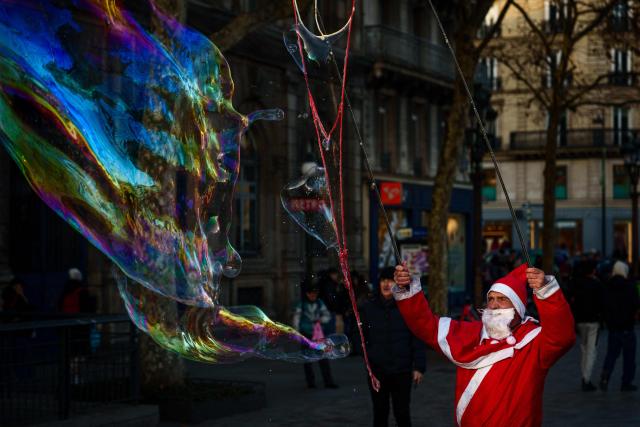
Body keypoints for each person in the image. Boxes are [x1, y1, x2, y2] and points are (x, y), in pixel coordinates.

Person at [394, 263, 575, 426]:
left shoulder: (533, 341)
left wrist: (546, 291)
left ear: (518, 307)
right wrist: (407, 290)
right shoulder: (471, 333)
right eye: (491, 299)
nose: (494, 305)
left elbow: (562, 336)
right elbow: (427, 326)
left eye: (502, 299)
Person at [361, 267, 426, 427]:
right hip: (377, 371)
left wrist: (419, 366)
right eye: (383, 280)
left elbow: (417, 337)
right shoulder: (369, 307)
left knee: (402, 413)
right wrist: (368, 355)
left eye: (390, 280)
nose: (386, 284)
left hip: (401, 370)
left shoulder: (406, 306)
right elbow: (361, 335)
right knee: (380, 412)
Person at [599, 260, 639, 391]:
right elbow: (635, 305)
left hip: (613, 327)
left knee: (611, 354)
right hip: (627, 327)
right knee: (629, 358)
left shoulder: (607, 286)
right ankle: (626, 382)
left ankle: (605, 377)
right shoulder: (630, 286)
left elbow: (604, 306)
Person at [292, 279, 338, 389]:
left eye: (315, 294)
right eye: (311, 293)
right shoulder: (301, 304)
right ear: (307, 294)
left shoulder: (319, 303)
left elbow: (327, 315)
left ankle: (328, 381)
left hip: (318, 335)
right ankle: (311, 382)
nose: (313, 295)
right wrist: (297, 332)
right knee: (307, 359)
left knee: (323, 358)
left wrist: (321, 319)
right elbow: (296, 319)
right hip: (306, 334)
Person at [568, 259, 604, 391]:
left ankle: (585, 376)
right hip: (593, 321)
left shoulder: (576, 283)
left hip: (580, 321)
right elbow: (602, 303)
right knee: (590, 351)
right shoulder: (596, 284)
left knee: (584, 349)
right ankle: (586, 378)